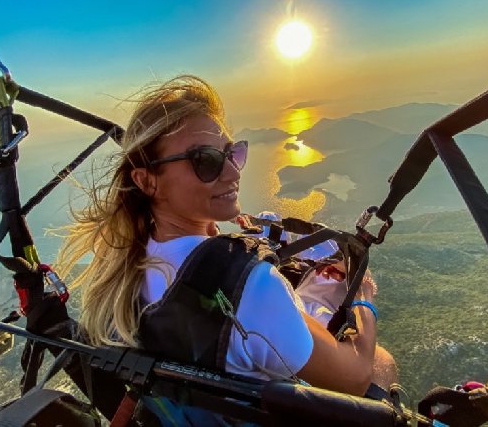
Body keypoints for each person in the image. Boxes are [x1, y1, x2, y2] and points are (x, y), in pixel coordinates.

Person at [56, 75, 398, 423]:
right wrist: (363, 298)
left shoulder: (126, 269)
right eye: (205, 160)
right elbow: (353, 376)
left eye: (233, 152)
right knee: (381, 361)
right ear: (146, 181)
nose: (233, 171)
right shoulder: (249, 286)